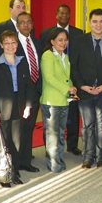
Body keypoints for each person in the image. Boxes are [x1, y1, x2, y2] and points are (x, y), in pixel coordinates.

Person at [70, 8, 102, 169]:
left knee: (101, 125)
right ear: (89, 23)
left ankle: (100, 157)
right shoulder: (78, 41)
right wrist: (82, 86)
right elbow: (74, 67)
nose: (99, 25)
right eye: (95, 21)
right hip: (85, 91)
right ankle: (88, 156)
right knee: (87, 125)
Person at [0, 30, 35, 185]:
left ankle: (14, 172)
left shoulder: (22, 62)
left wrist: (28, 106)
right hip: (2, 108)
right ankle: (4, 175)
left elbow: (29, 86)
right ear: (1, 45)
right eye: (6, 43)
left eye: (13, 42)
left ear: (17, 45)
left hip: (19, 106)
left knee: (16, 141)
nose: (10, 46)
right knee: (3, 142)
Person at [39, 4, 83, 156]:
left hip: (70, 83)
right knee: (52, 127)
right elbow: (48, 74)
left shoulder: (78, 33)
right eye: (61, 13)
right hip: (53, 91)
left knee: (71, 119)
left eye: (67, 13)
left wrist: (73, 86)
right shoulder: (46, 35)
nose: (64, 15)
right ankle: (50, 152)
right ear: (57, 15)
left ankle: (72, 145)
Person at [39, 28, 76, 172]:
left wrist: (72, 87)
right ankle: (54, 164)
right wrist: (67, 89)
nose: (63, 42)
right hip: (51, 101)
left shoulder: (65, 56)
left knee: (60, 133)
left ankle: (58, 159)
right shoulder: (47, 56)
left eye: (65, 40)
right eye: (60, 40)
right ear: (52, 41)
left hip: (63, 100)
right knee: (52, 135)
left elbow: (67, 77)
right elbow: (50, 79)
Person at [15, 12, 42, 172]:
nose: (26, 25)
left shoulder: (37, 43)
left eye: (29, 22)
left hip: (34, 91)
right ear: (17, 25)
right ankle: (16, 162)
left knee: (29, 127)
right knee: (18, 128)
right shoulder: (13, 43)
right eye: (22, 22)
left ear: (32, 25)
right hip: (19, 93)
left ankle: (26, 161)